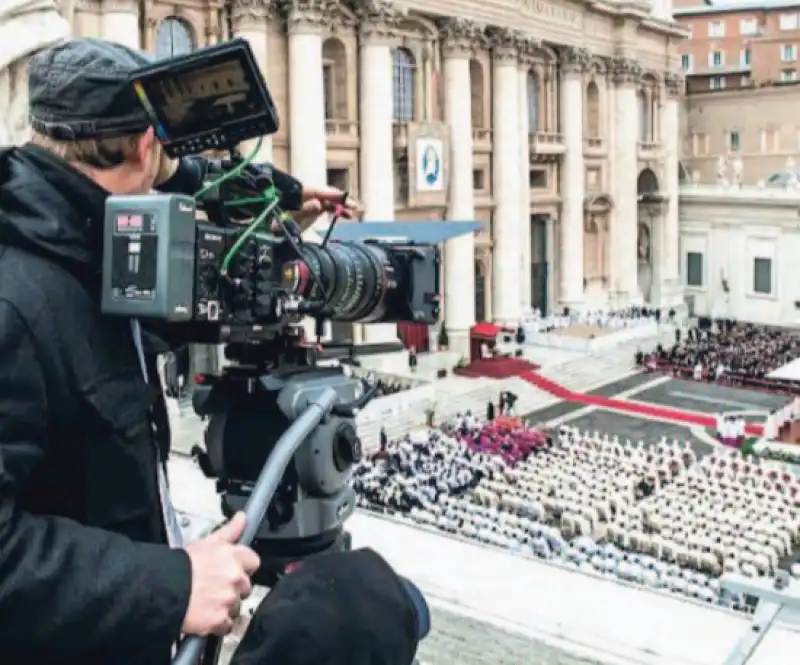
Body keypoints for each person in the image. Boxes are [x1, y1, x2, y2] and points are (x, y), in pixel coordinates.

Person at [0, 39, 359, 665]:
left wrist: (280, 195)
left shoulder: (72, 227)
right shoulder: (18, 298)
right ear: (146, 146)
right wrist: (168, 586)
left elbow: (192, 176)